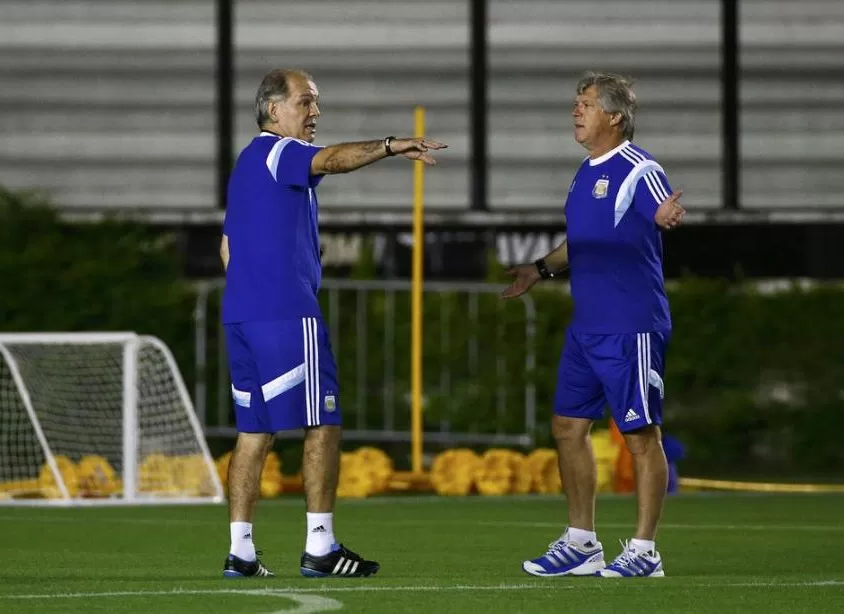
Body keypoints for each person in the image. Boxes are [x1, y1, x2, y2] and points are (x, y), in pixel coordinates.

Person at [219, 68, 446, 578]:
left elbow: (227, 248)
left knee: (254, 434)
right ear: (274, 110)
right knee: (323, 422)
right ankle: (320, 547)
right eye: (306, 102)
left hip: (241, 315)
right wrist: (390, 145)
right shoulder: (280, 152)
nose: (315, 112)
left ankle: (241, 552)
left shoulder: (246, 163)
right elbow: (333, 160)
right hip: (285, 313)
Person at [501, 71, 685, 579]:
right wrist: (538, 270)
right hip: (588, 327)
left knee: (641, 437)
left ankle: (645, 552)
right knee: (567, 427)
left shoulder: (639, 167)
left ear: (615, 117)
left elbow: (663, 209)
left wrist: (668, 217)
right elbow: (579, 243)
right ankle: (582, 543)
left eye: (585, 104)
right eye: (576, 103)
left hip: (632, 326)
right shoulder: (585, 172)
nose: (575, 111)